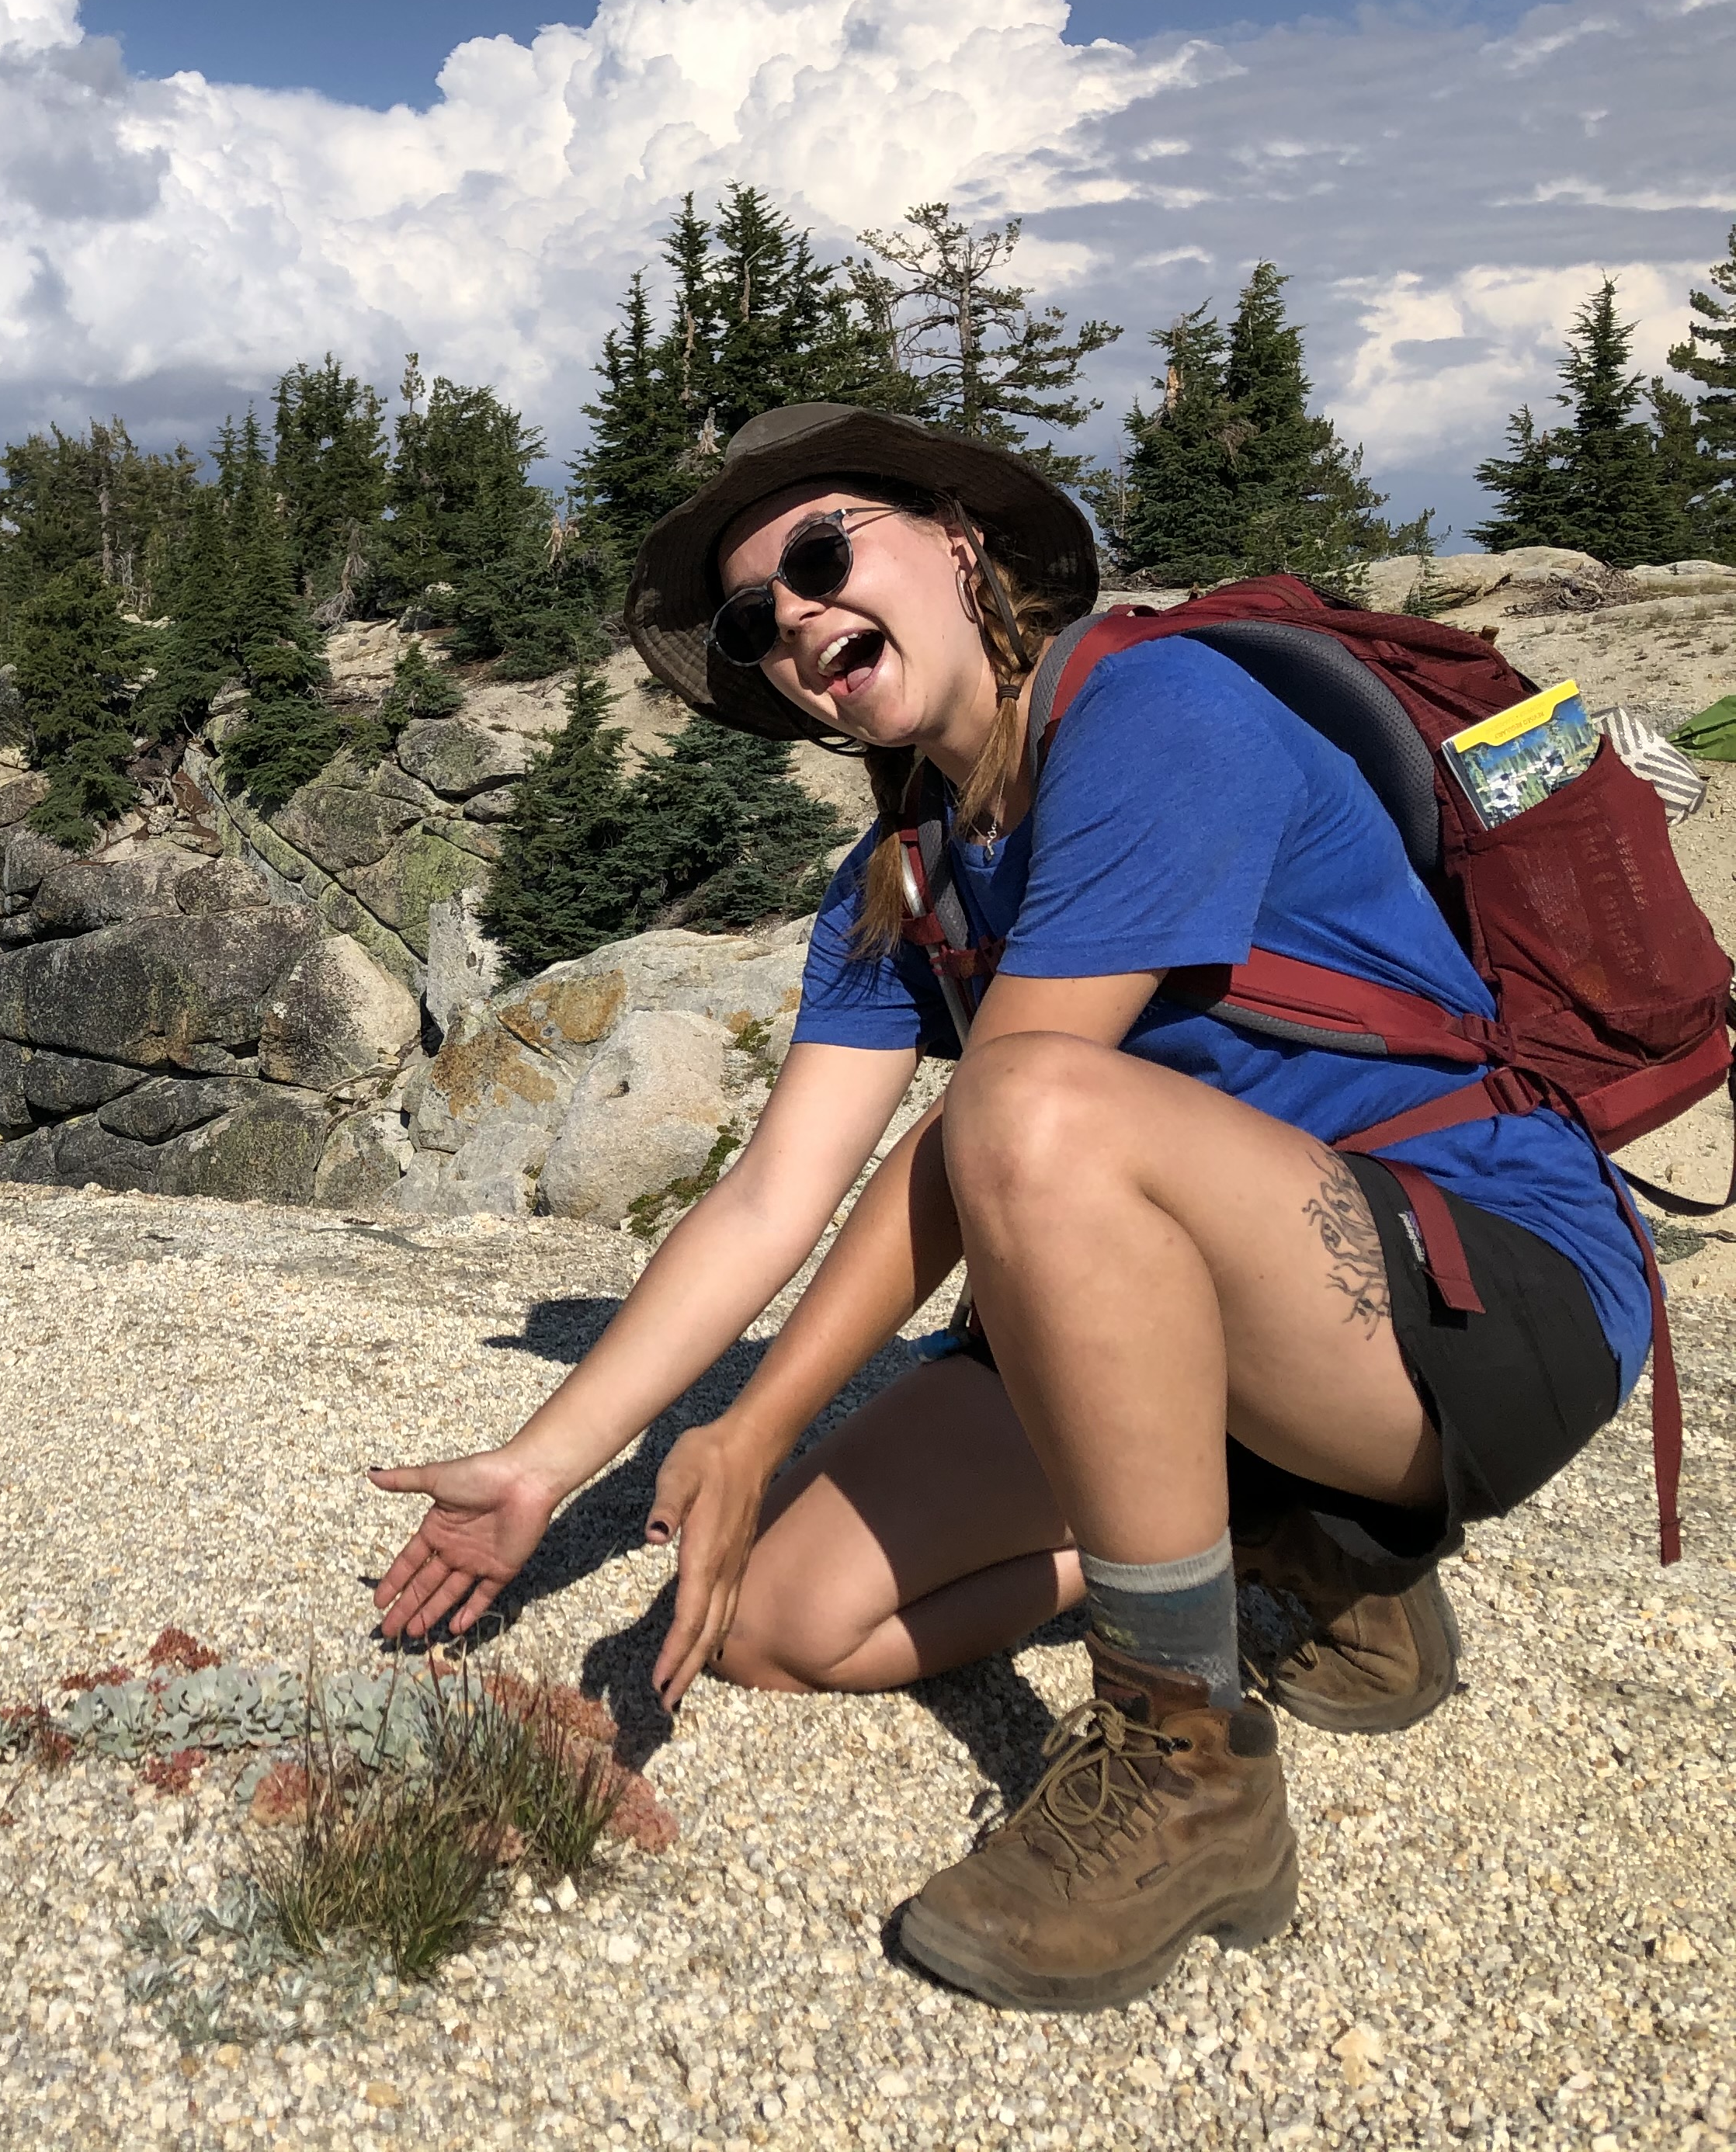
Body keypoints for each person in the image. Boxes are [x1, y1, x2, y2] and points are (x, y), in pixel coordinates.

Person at [366, 404, 1652, 2013]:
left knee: (1030, 1106)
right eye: (758, 620)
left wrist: (757, 1428)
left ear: (960, 543)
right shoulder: (898, 876)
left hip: (1476, 1296)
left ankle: (1186, 1760)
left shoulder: (1163, 711)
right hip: (1185, 1314)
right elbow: (771, 1197)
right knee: (777, 1619)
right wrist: (544, 1468)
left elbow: (1012, 1117)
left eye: (824, 555)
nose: (796, 621)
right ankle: (1292, 1546)